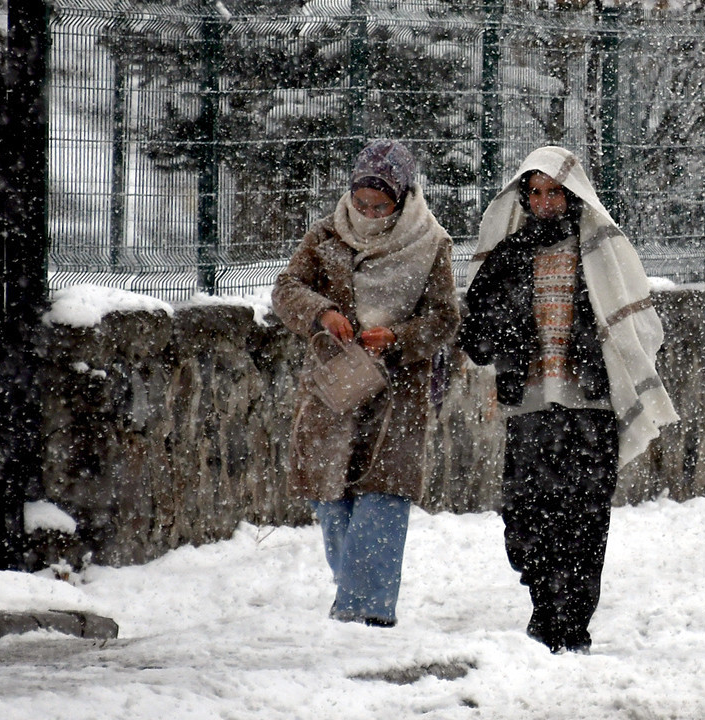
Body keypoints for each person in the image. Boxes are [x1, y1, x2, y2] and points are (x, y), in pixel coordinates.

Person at [458, 146, 678, 653]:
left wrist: (599, 356)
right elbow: (476, 336)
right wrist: (506, 332)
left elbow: (637, 326)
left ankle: (570, 625)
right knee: (525, 519)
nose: (544, 202)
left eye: (554, 191)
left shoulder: (599, 253)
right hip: (529, 409)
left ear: (572, 194)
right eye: (535, 192)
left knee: (584, 520)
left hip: (590, 409)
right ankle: (545, 610)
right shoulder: (508, 256)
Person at [272, 139, 459, 627]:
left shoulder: (431, 242)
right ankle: (353, 592)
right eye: (361, 203)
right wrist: (323, 313)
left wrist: (398, 337)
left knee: (384, 492)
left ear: (403, 199)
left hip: (399, 392)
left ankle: (367, 612)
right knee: (330, 493)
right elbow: (287, 289)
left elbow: (444, 318)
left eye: (381, 206)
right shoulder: (326, 234)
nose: (369, 213)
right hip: (335, 386)